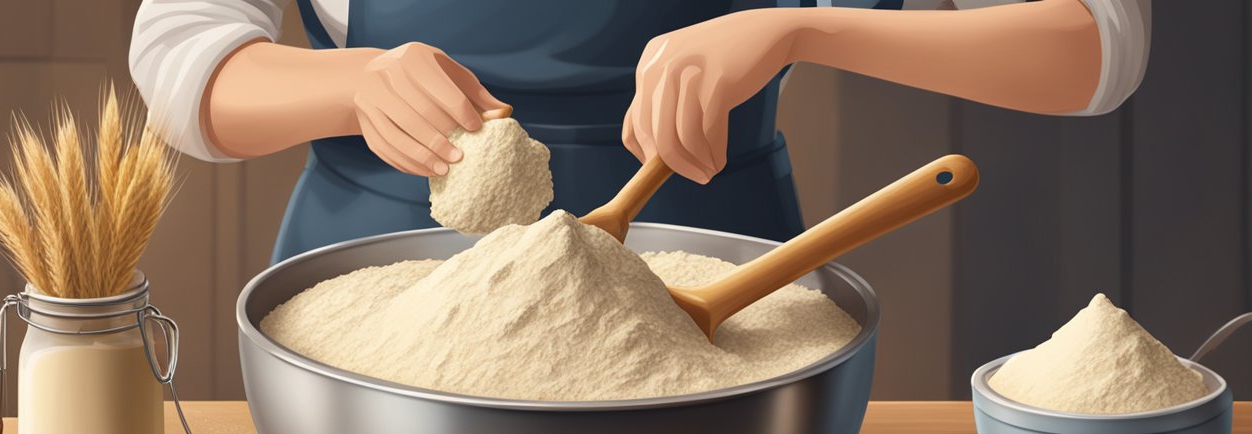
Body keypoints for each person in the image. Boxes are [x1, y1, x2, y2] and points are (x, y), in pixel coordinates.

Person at [130, 0, 1149, 263]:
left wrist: (803, 27)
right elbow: (183, 64)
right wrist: (354, 82)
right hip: (374, 308)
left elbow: (1098, 47)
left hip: (713, 301)